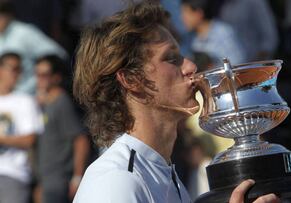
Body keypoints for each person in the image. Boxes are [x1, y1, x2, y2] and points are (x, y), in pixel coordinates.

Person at [72, 2, 279, 203]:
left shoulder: (162, 170)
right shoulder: (116, 182)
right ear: (131, 80)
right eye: (171, 59)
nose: (190, 67)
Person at [34, 55, 90, 203]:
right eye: (37, 74)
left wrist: (77, 177)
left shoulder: (62, 103)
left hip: (59, 179)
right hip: (45, 179)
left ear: (56, 77)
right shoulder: (43, 103)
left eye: (44, 75)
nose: (39, 79)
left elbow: (81, 139)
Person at [0, 52, 43, 203]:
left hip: (13, 174)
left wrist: (2, 140)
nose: (18, 74)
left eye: (20, 69)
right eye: (14, 68)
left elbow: (30, 139)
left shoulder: (25, 101)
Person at [0, 0, 67, 94]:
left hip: (29, 95)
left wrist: (41, 82)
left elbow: (57, 54)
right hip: (5, 97)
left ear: (8, 15)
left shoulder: (25, 32)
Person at [180, 0, 245, 66]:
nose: (183, 18)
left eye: (186, 12)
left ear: (199, 13)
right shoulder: (189, 38)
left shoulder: (223, 32)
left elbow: (237, 63)